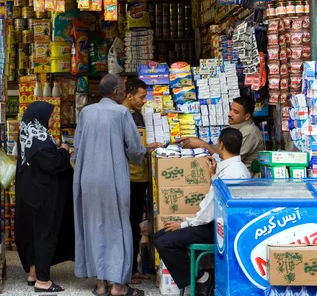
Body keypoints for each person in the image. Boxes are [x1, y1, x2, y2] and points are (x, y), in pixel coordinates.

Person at [73, 74, 162, 296]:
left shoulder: (86, 113)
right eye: (122, 90)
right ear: (115, 93)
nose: (124, 93)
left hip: (87, 178)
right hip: (111, 178)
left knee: (94, 226)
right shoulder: (122, 113)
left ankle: (101, 284)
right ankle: (118, 286)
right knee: (117, 228)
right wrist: (145, 151)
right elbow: (134, 150)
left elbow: (78, 145)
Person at [153, 128, 251, 292]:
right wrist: (213, 175)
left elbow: (209, 211)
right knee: (160, 236)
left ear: (221, 144)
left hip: (218, 228)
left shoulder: (231, 173)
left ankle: (202, 278)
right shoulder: (236, 169)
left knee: (164, 241)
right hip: (218, 224)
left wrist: (184, 224)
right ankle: (199, 277)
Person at [15, 101, 75, 293]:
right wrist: (64, 151)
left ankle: (33, 273)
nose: (54, 118)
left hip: (29, 193)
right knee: (44, 234)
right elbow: (54, 164)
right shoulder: (39, 139)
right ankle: (43, 281)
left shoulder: (28, 132)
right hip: (42, 196)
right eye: (51, 116)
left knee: (33, 234)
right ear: (40, 117)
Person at [180, 96, 265, 172]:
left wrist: (203, 145)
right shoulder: (235, 128)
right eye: (230, 109)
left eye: (235, 112)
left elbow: (229, 160)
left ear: (246, 116)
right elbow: (218, 150)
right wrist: (197, 142)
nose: (229, 114)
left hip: (241, 180)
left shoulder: (250, 132)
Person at [122, 78, 150, 284]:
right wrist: (145, 150)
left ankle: (133, 267)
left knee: (134, 225)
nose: (144, 101)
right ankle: (128, 271)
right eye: (141, 97)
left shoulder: (138, 114)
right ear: (129, 96)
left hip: (140, 177)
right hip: (128, 178)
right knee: (129, 224)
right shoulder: (123, 117)